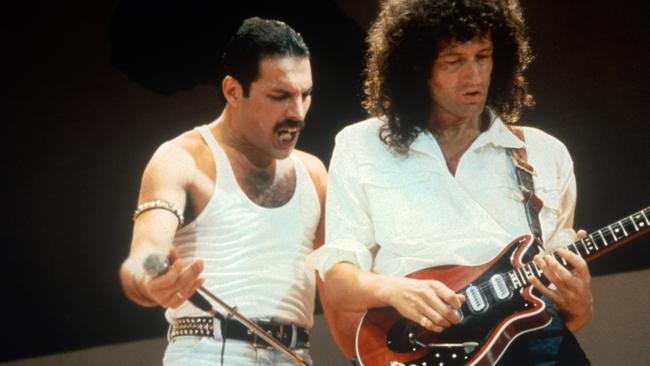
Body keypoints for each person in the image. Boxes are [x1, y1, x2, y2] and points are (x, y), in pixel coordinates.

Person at [310, 0, 593, 364]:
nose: (473, 77)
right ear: (416, 67)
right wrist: (397, 290)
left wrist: (580, 304)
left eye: (483, 56)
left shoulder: (544, 152)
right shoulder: (361, 145)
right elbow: (338, 283)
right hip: (423, 350)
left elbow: (559, 301)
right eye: (453, 61)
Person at [119, 17, 328, 365]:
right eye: (279, 96)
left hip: (295, 354)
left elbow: (338, 281)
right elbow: (143, 257)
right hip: (207, 351)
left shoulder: (314, 172)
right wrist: (152, 278)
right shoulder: (182, 159)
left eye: (305, 95)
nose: (297, 113)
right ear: (232, 91)